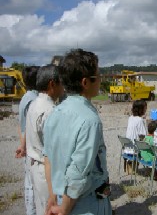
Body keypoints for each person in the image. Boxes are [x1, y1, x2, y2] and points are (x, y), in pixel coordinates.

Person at [43, 48, 112, 215]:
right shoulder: (90, 120)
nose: (100, 80)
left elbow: (48, 158)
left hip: (61, 197)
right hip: (85, 204)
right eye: (98, 76)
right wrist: (65, 210)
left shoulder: (55, 113)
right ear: (85, 83)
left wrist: (53, 196)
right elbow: (78, 173)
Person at [25, 65, 64, 215]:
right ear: (52, 84)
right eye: (61, 83)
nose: (64, 88)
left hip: (34, 165)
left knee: (41, 207)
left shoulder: (34, 103)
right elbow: (54, 150)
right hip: (46, 170)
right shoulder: (50, 111)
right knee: (50, 209)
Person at [15, 66, 39, 215]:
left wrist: (21, 144)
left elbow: (20, 125)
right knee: (33, 185)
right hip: (32, 147)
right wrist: (23, 146)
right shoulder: (33, 99)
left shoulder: (25, 97)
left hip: (27, 145)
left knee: (29, 182)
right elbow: (29, 127)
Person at [124, 100, 147, 173]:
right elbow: (143, 136)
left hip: (127, 147)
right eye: (145, 108)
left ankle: (130, 166)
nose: (146, 109)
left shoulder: (130, 118)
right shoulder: (140, 120)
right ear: (141, 109)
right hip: (134, 149)